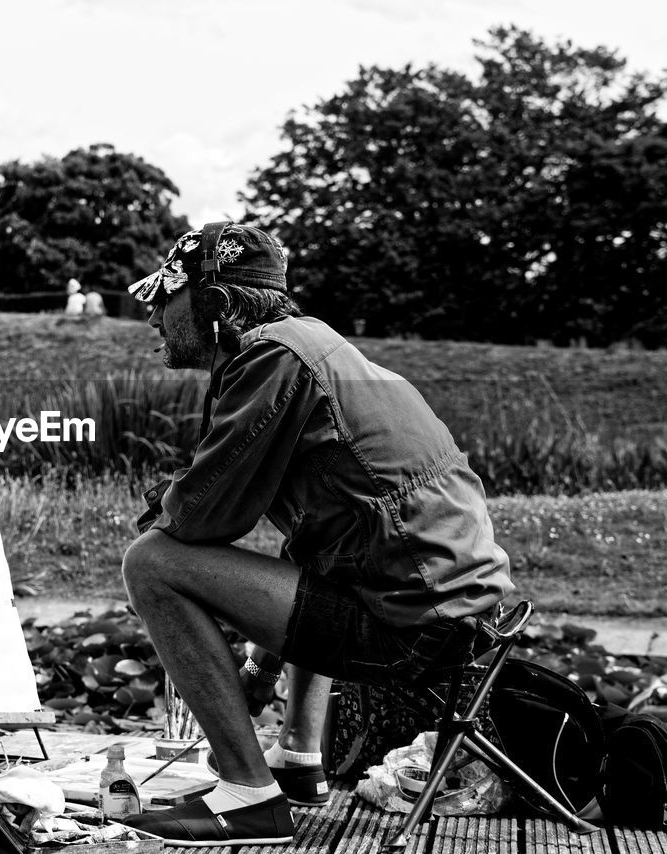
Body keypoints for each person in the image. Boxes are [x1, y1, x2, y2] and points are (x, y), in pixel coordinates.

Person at [118, 222, 513, 846]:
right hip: (452, 612)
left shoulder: (270, 358)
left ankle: (249, 798)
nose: (152, 318)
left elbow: (198, 518)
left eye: (165, 298)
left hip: (418, 624)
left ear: (216, 305)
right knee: (307, 558)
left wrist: (158, 510)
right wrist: (257, 668)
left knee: (151, 562)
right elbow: (317, 541)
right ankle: (297, 758)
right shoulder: (314, 344)